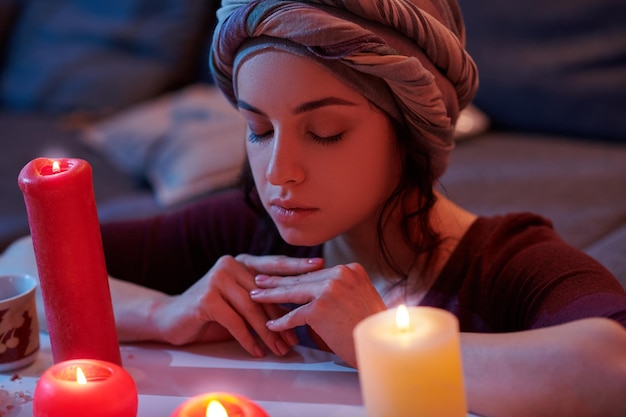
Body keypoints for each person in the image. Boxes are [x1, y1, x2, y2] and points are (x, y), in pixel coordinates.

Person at [3, 0, 626, 416]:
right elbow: (30, 256)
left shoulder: (504, 263)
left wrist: (374, 341)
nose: (279, 174)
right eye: (258, 130)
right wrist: (166, 312)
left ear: (411, 133)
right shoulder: (249, 234)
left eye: (325, 131)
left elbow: (611, 365)